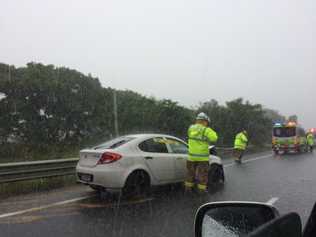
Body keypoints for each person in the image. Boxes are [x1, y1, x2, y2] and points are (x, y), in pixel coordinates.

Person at [185, 112, 218, 193]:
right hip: (202, 157)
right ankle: (201, 190)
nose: (207, 124)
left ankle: (188, 189)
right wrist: (209, 132)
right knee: (202, 175)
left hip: (191, 157)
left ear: (197, 120)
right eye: (207, 122)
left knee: (190, 174)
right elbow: (214, 138)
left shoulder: (190, 128)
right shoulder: (206, 129)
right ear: (205, 121)